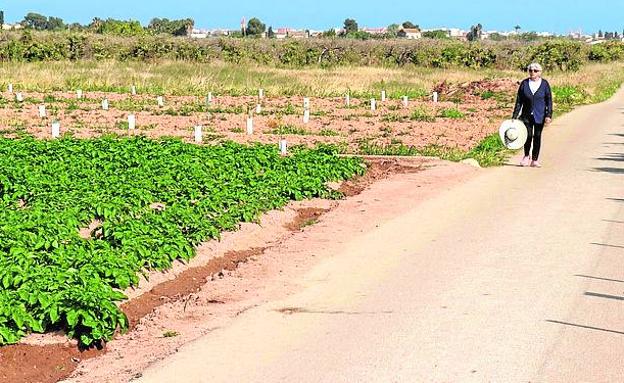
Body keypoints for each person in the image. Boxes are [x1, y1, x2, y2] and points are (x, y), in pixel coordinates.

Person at [512, 63, 553, 167]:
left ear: (540, 72)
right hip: (526, 115)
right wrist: (515, 116)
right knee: (528, 136)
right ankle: (526, 156)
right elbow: (519, 101)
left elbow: (549, 100)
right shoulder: (524, 83)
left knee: (537, 136)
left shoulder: (544, 84)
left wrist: (548, 115)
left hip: (540, 115)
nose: (532, 72)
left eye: (535, 71)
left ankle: (535, 159)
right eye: (530, 70)